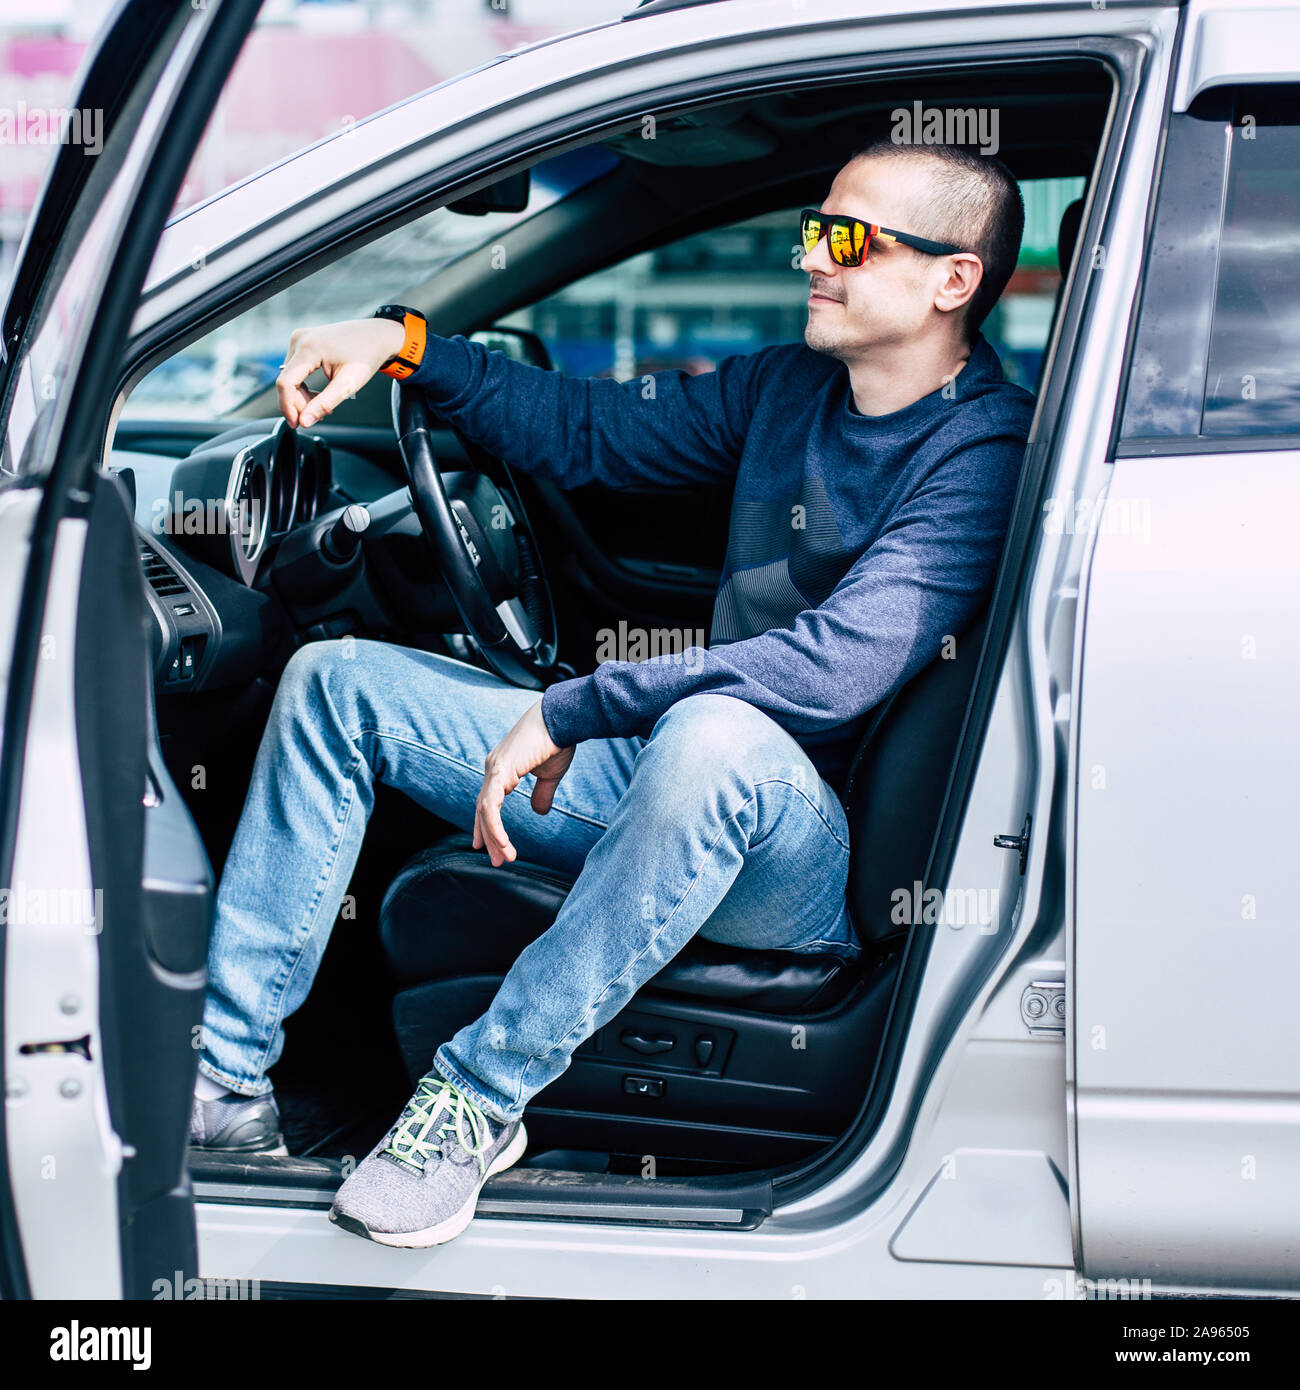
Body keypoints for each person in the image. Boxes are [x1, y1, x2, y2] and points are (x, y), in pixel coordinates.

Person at [188, 138, 1035, 1249]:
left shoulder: (985, 447)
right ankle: (224, 1088)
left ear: (951, 279)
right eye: (810, 232)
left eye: (844, 239)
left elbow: (832, 666)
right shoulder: (788, 388)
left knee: (715, 733)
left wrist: (576, 704)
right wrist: (404, 343)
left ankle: (475, 1104)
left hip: (801, 849)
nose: (809, 260)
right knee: (335, 683)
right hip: (663, 777)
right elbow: (583, 434)